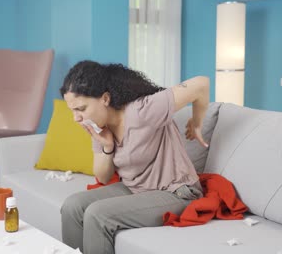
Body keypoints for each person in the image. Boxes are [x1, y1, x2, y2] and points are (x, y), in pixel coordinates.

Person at [59, 60, 210, 254]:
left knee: (98, 215)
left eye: (81, 109)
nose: (76, 118)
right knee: (72, 207)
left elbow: (201, 84)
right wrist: (107, 146)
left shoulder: (142, 111)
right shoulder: (98, 125)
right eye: (72, 110)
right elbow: (103, 177)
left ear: (105, 99)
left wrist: (197, 123)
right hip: (136, 188)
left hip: (176, 192)